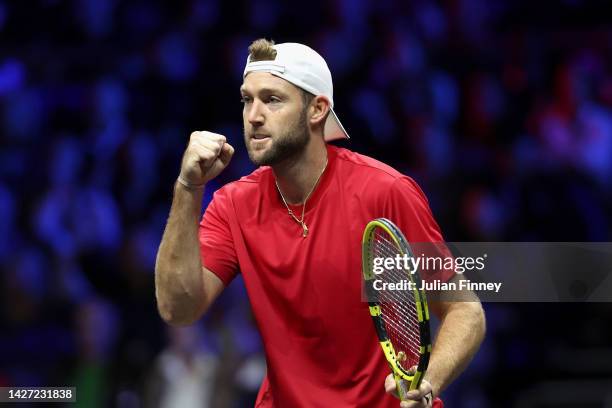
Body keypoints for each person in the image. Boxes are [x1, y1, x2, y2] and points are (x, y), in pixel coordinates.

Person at [155, 38, 486, 408]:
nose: (254, 115)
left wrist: (429, 380)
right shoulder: (233, 205)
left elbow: (464, 309)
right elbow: (178, 309)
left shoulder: (385, 193)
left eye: (273, 99)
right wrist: (188, 188)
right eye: (248, 99)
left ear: (317, 109)